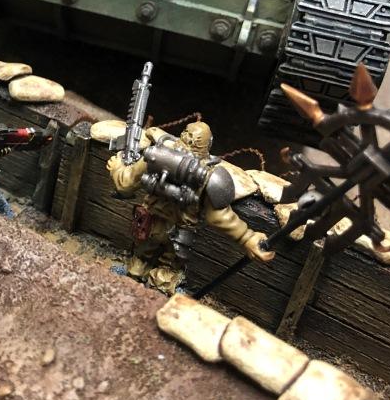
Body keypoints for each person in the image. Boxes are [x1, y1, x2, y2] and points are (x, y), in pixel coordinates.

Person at [107, 120, 273, 294]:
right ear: (207, 145)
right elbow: (220, 217)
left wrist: (117, 167)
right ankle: (156, 294)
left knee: (139, 262)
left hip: (149, 226)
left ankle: (129, 284)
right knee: (166, 276)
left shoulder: (158, 155)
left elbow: (125, 184)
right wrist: (247, 237)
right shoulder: (209, 176)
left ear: (184, 135)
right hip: (179, 237)